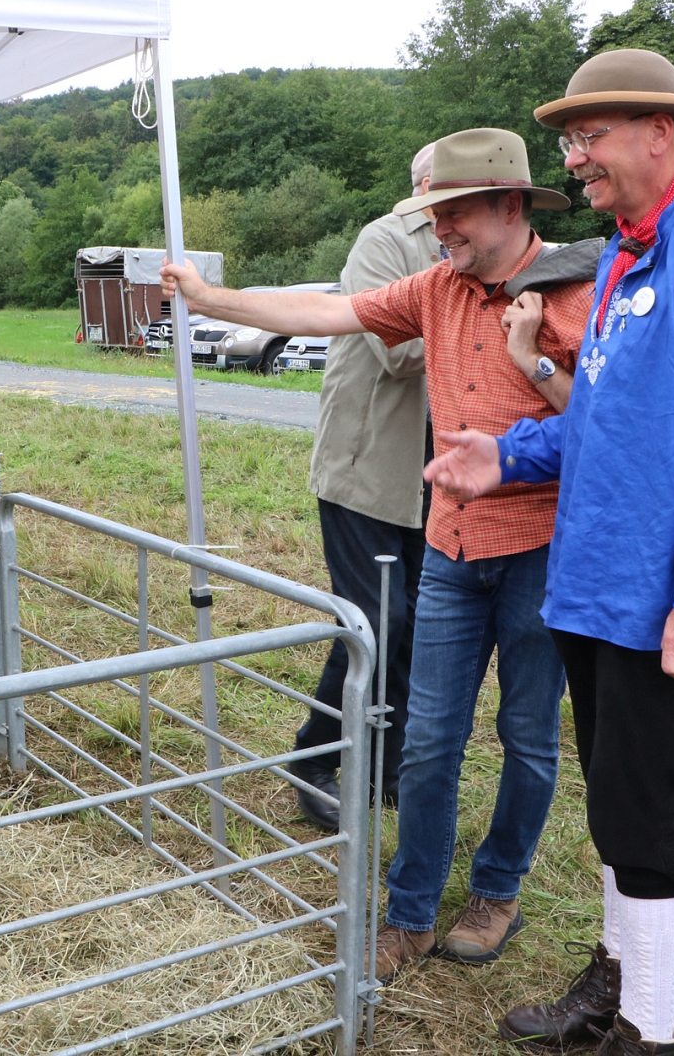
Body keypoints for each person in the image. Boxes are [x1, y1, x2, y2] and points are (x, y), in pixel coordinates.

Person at [425, 50, 674, 1055]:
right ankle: (614, 984)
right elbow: (606, 419)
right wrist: (508, 454)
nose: (575, 159)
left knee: (640, 807)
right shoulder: (619, 254)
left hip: (664, 585)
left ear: (661, 131)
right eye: (569, 140)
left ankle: (648, 1032)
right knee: (612, 796)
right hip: (596, 577)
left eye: (589, 137)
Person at [162, 128, 602, 975]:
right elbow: (322, 312)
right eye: (435, 214)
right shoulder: (435, 287)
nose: (441, 229)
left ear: (510, 205)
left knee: (527, 734)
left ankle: (496, 891)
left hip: (543, 551)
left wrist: (530, 360)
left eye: (456, 213)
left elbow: (609, 427)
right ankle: (410, 913)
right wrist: (211, 298)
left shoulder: (581, 291)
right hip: (452, 547)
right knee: (429, 739)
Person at [289, 142, 438, 832]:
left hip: (436, 473)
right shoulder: (385, 241)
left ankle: (387, 765)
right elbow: (400, 351)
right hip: (367, 469)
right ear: (427, 185)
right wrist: (486, 325)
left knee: (420, 624)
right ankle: (314, 757)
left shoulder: (484, 246)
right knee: (377, 620)